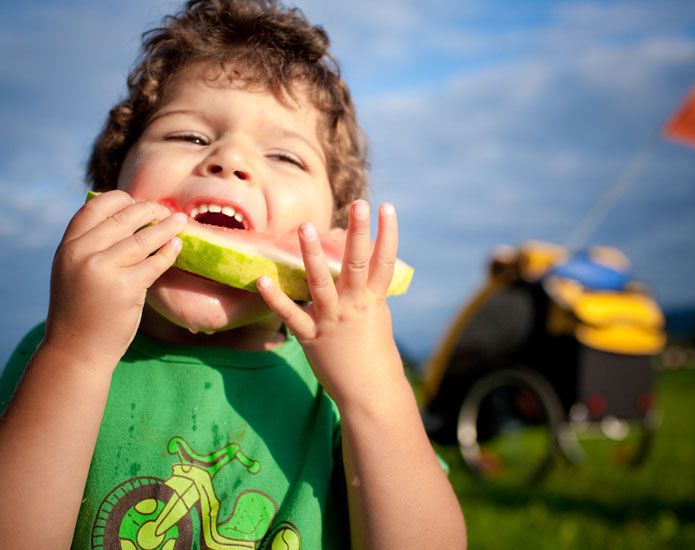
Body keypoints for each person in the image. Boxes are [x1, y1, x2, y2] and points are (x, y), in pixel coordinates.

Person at [0, 0, 467, 547]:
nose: (229, 160)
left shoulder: (336, 394)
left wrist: (375, 389)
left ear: (332, 228)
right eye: (189, 137)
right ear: (112, 182)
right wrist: (76, 354)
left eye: (285, 157)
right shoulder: (56, 351)